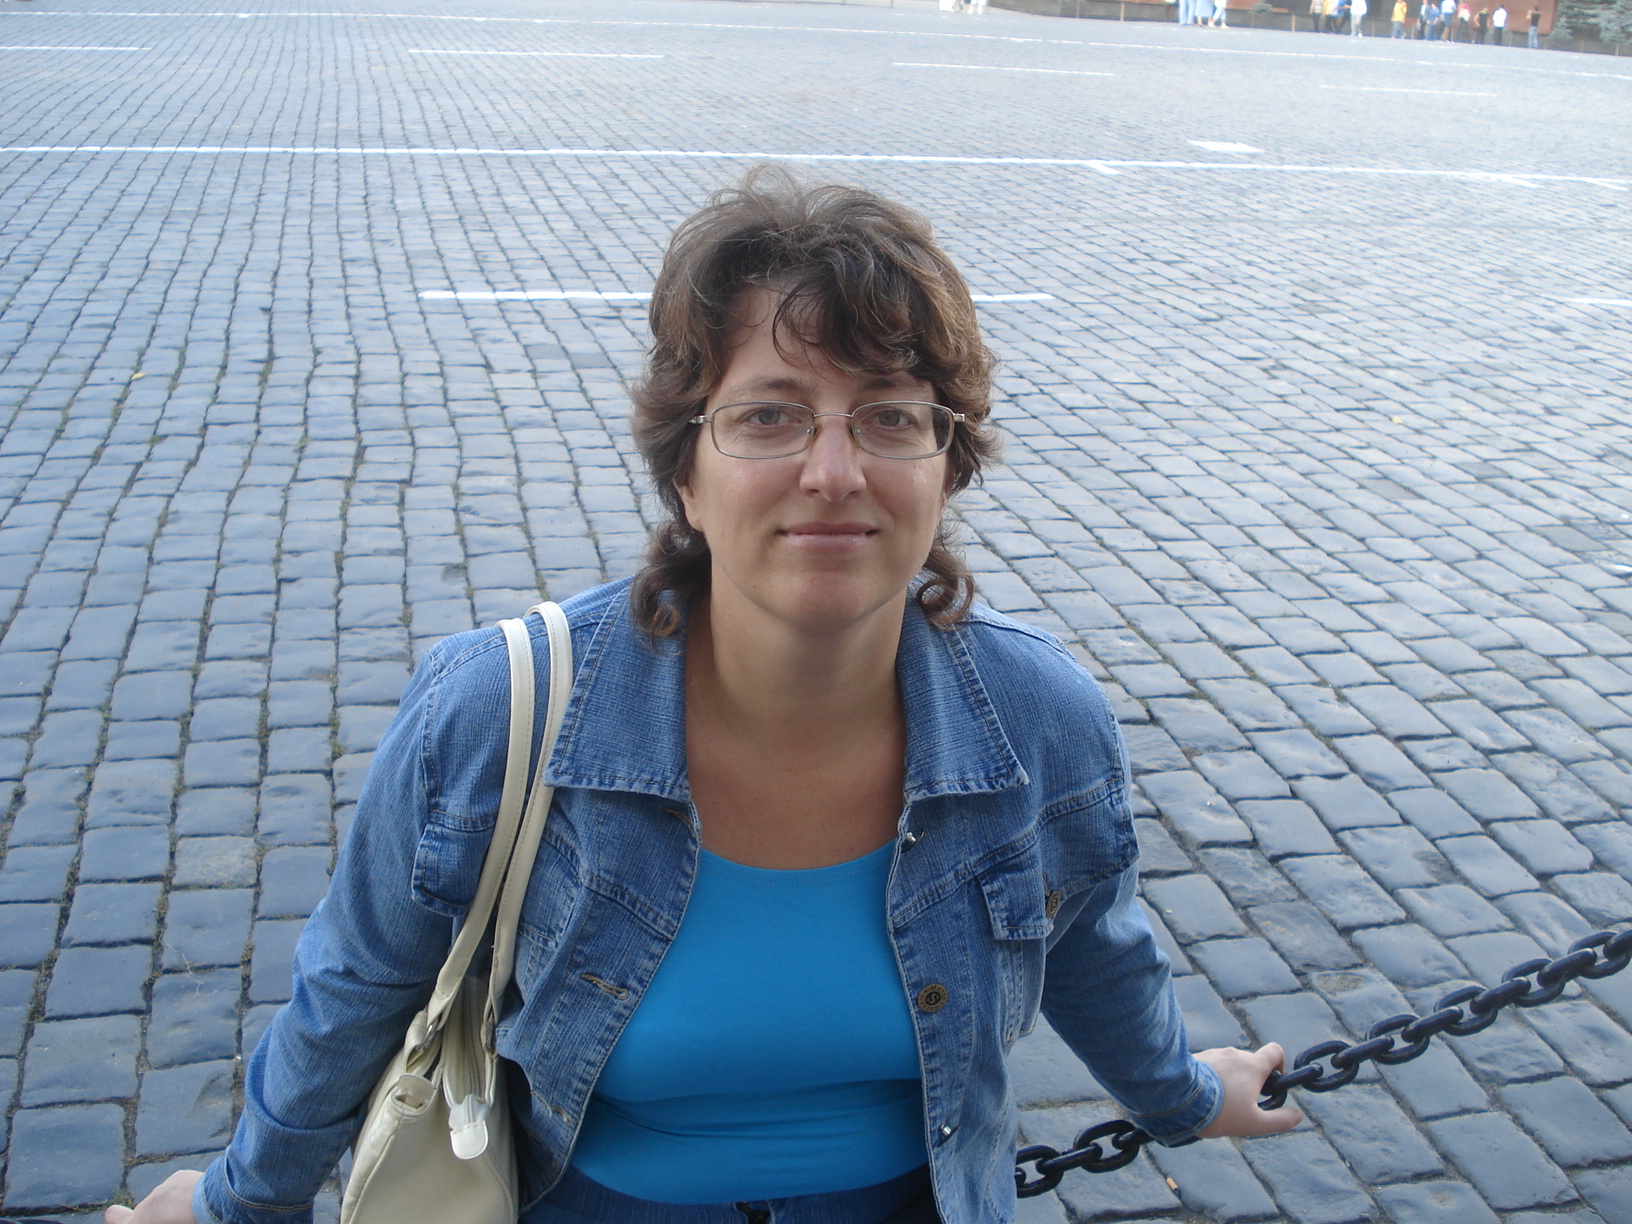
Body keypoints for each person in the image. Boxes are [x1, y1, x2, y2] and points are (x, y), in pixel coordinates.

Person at [103, 170, 1300, 1224]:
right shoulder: (497, 712)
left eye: (890, 416)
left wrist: (1187, 1098)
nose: (832, 471)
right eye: (769, 414)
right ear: (685, 470)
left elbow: (1092, 947)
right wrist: (235, 1204)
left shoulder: (1041, 722)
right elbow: (357, 990)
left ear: (948, 467)